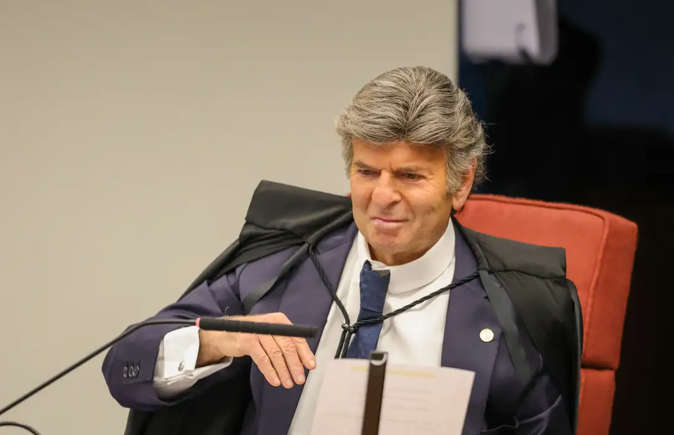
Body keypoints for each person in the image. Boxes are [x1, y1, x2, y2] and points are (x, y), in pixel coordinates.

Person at [102, 66, 581, 435]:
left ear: (461, 183)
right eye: (367, 172)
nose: (383, 196)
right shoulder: (284, 268)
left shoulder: (511, 306)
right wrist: (220, 341)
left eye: (410, 176)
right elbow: (125, 365)